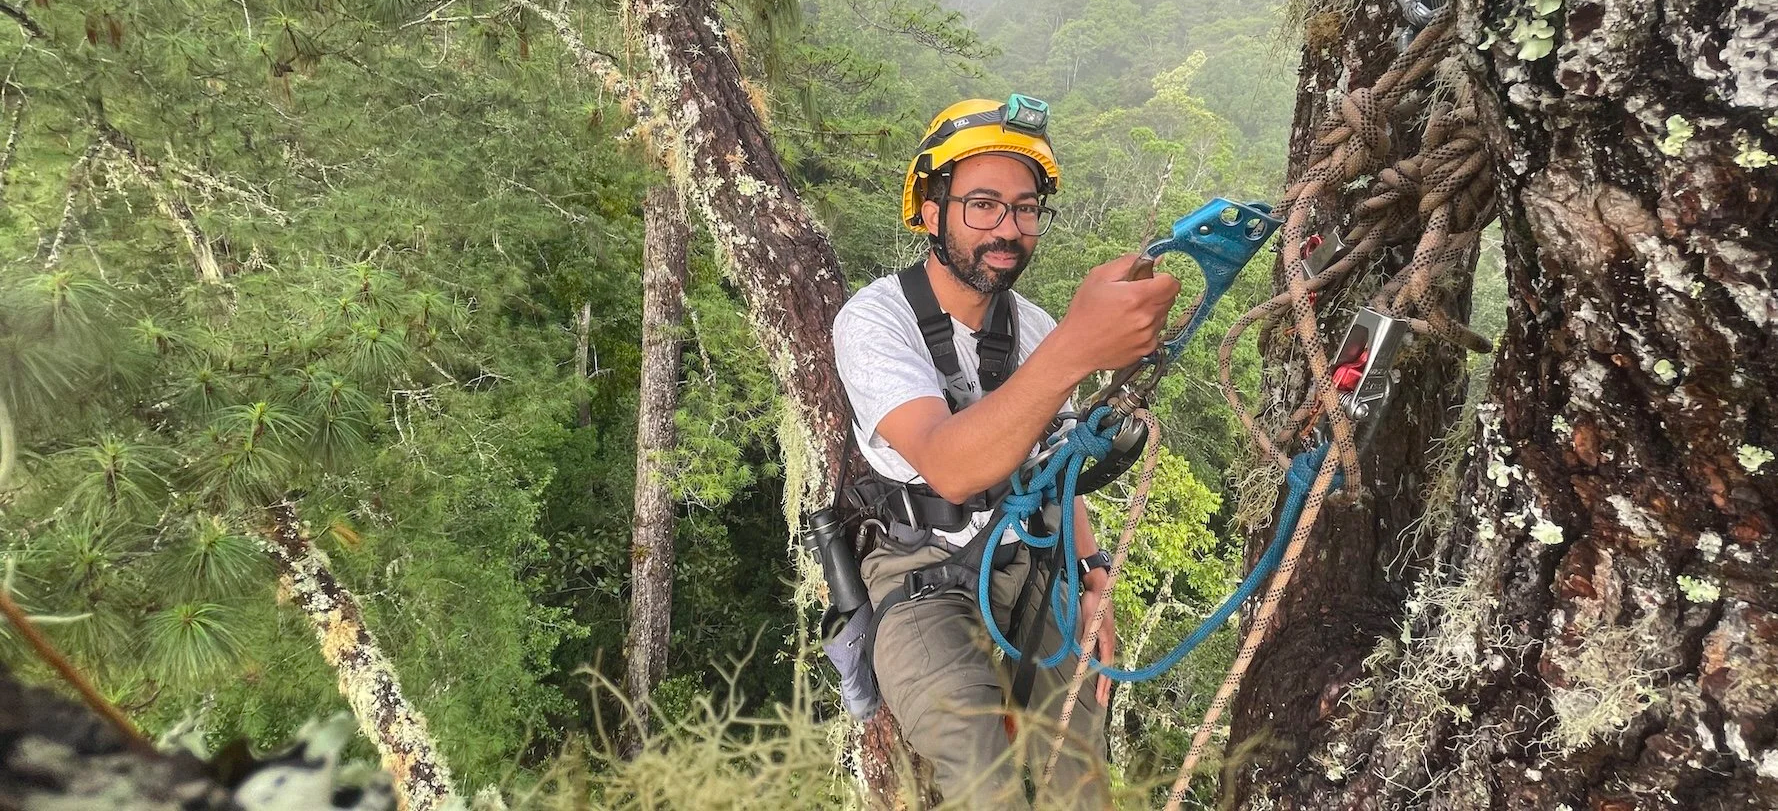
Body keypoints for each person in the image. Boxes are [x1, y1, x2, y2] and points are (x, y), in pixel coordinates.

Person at [831, 96, 1182, 808]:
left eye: (1025, 209)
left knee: (1078, 776)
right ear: (932, 210)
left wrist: (1093, 575)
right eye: (983, 205)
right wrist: (1076, 349)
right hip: (918, 579)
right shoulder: (875, 321)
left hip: (1025, 563)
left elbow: (1060, 463)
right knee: (984, 769)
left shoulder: (1035, 328)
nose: (1008, 229)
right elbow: (949, 461)